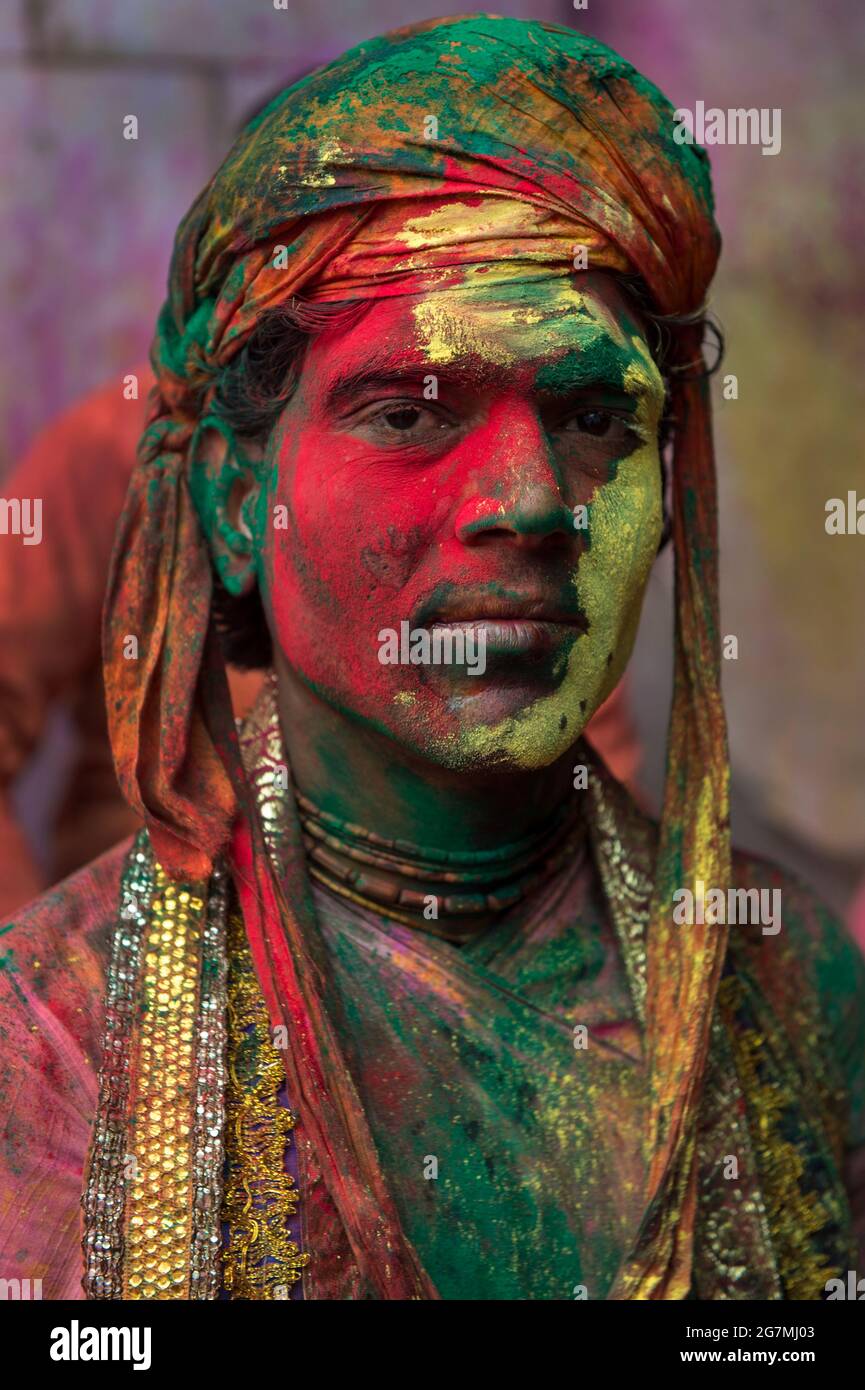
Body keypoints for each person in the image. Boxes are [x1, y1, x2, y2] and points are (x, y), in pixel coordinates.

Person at [0, 15, 862, 1302]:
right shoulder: (52, 1041)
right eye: (407, 412)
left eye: (590, 416)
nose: (527, 497)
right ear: (237, 502)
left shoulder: (786, 976)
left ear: (669, 488)